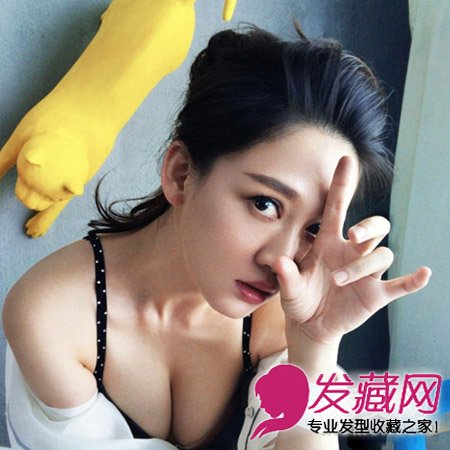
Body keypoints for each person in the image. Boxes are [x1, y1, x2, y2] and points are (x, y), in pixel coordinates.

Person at [2, 25, 431, 450]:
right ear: (181, 174)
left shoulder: (290, 309)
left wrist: (315, 351)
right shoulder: (54, 316)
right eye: (264, 204)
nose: (281, 261)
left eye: (314, 229)